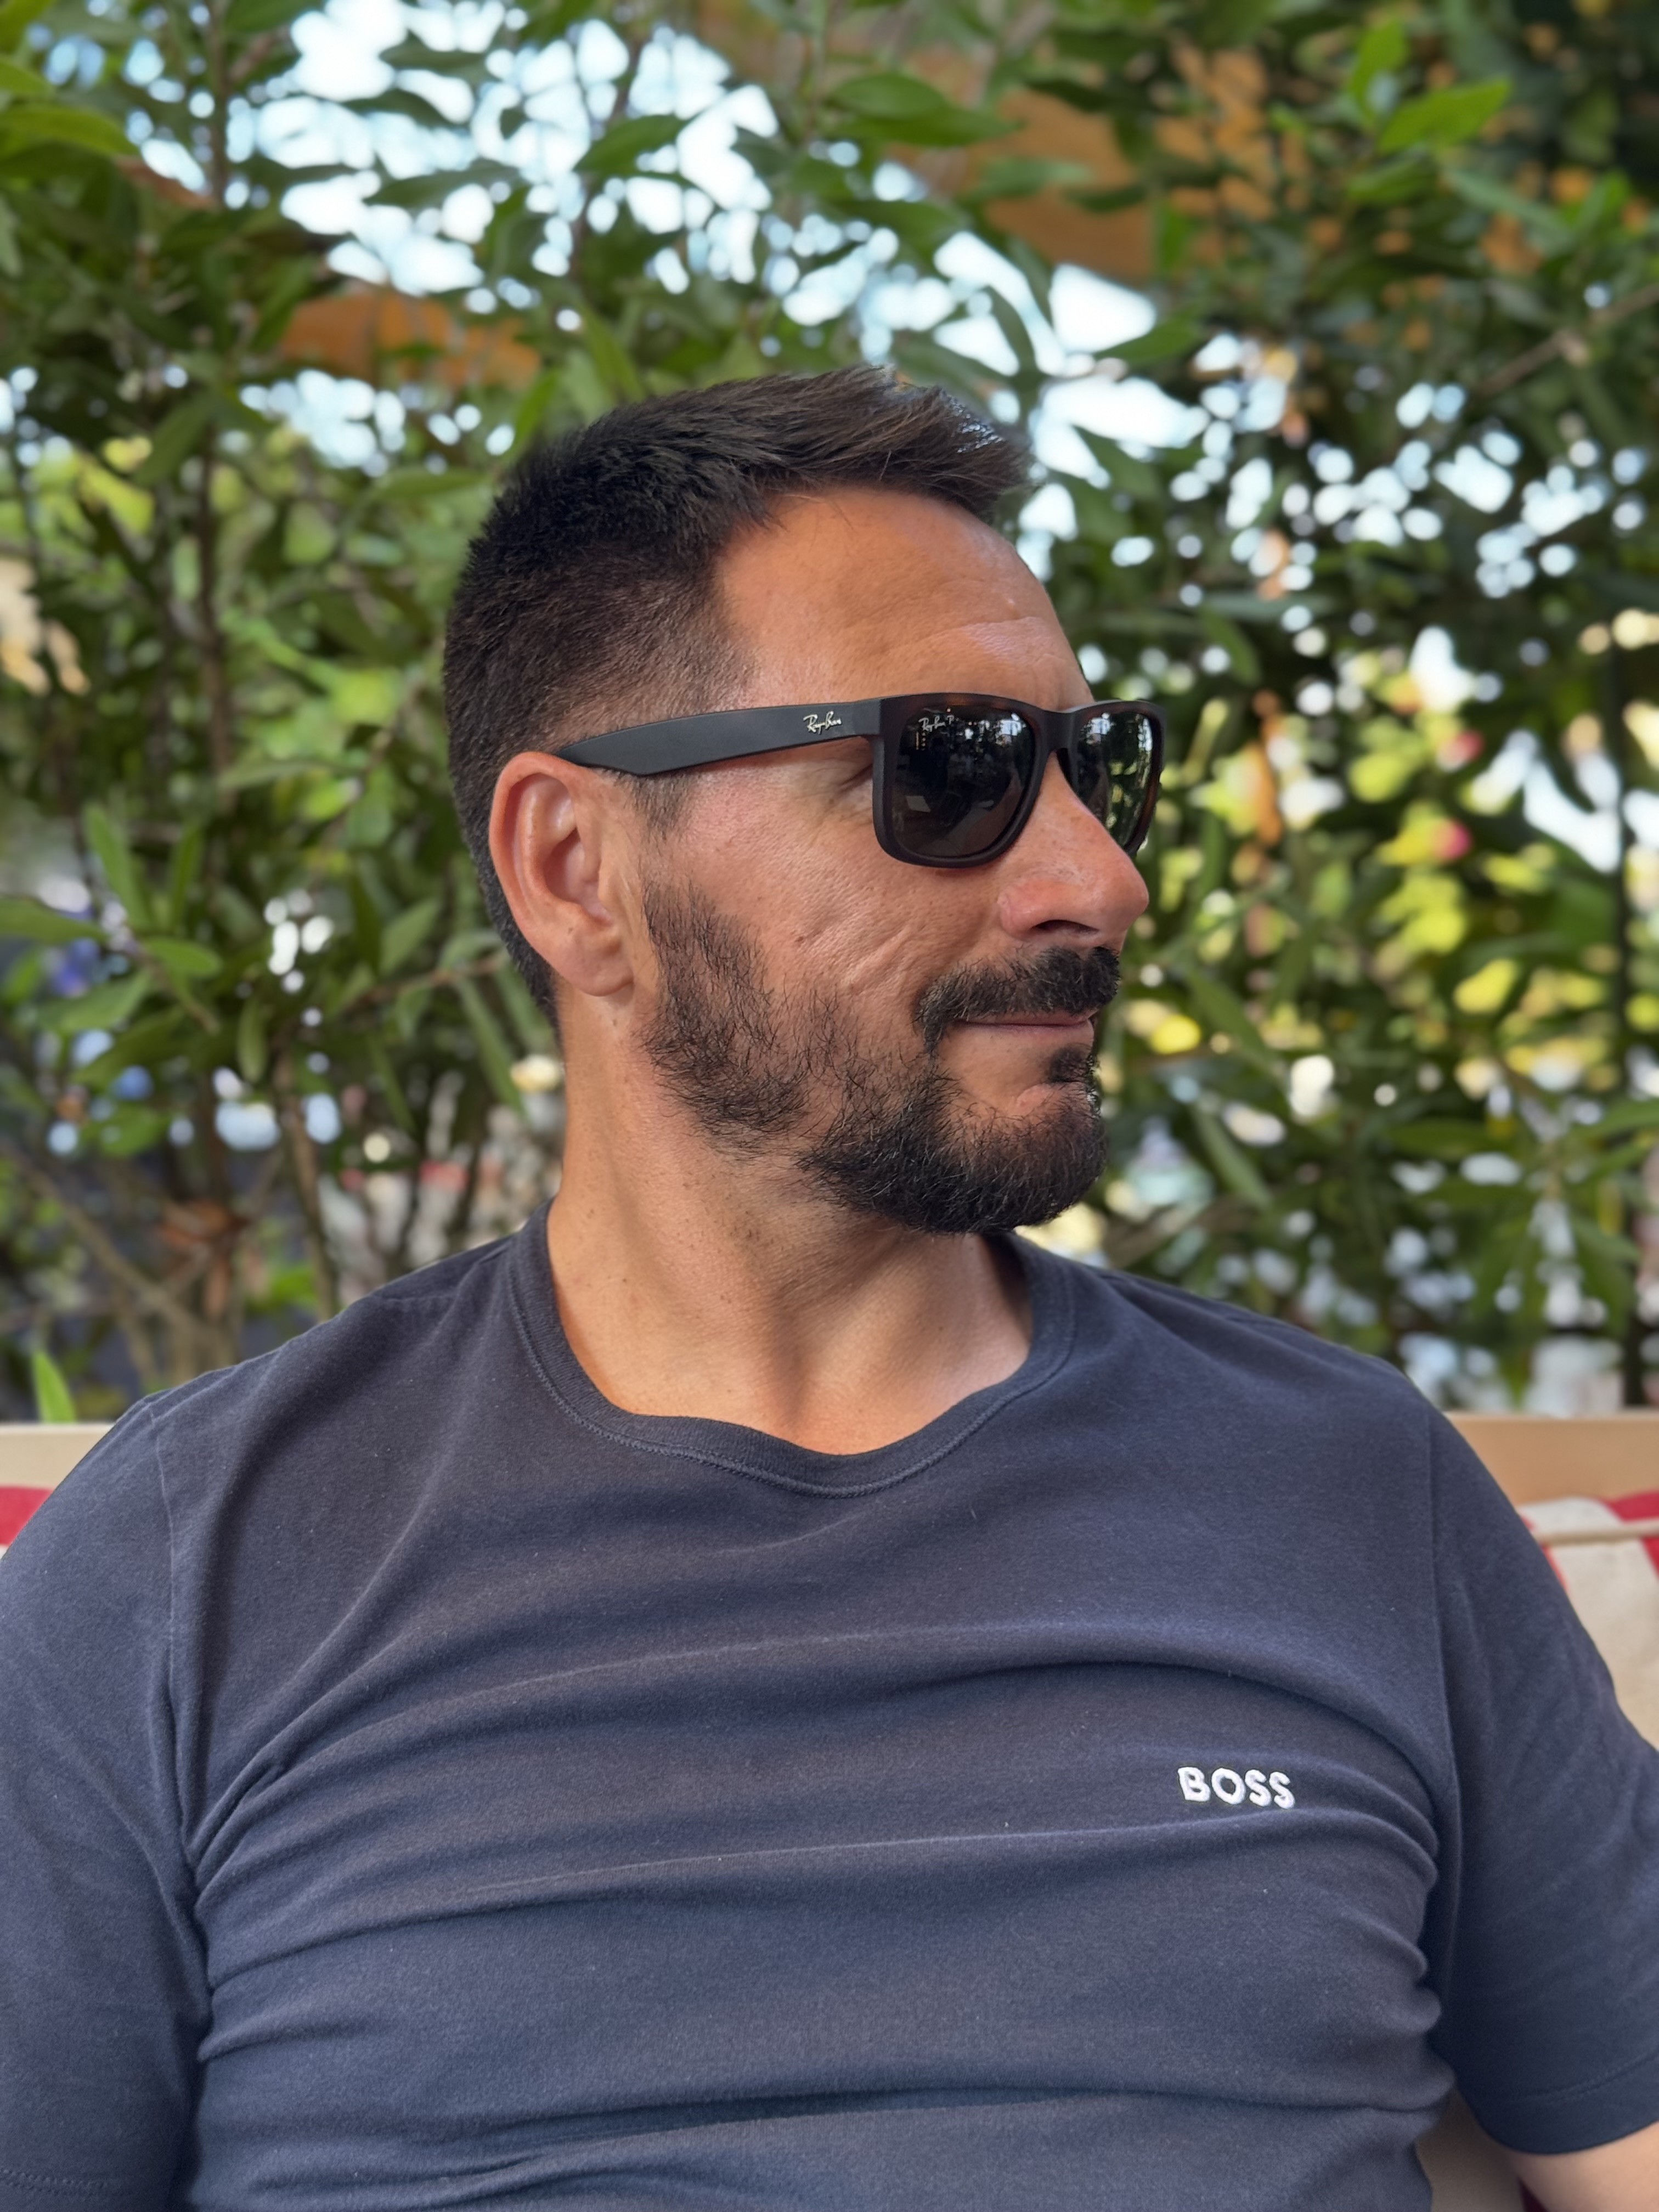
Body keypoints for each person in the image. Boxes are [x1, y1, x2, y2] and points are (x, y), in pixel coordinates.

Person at [1, 368, 1655, 2212]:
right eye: (948, 770)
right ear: (577, 872)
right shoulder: (192, 1568)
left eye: (1098, 769)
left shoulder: (1353, 1492)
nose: (1100, 878)